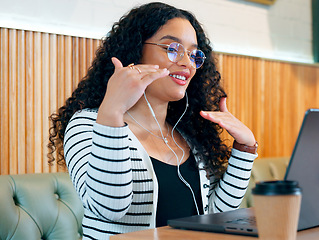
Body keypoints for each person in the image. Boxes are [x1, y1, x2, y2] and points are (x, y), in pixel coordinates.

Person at [47, 2, 258, 239]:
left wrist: (245, 149)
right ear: (136, 51)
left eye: (193, 54)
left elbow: (215, 217)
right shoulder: (88, 125)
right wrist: (112, 112)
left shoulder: (186, 134)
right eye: (173, 48)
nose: (187, 63)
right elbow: (110, 208)